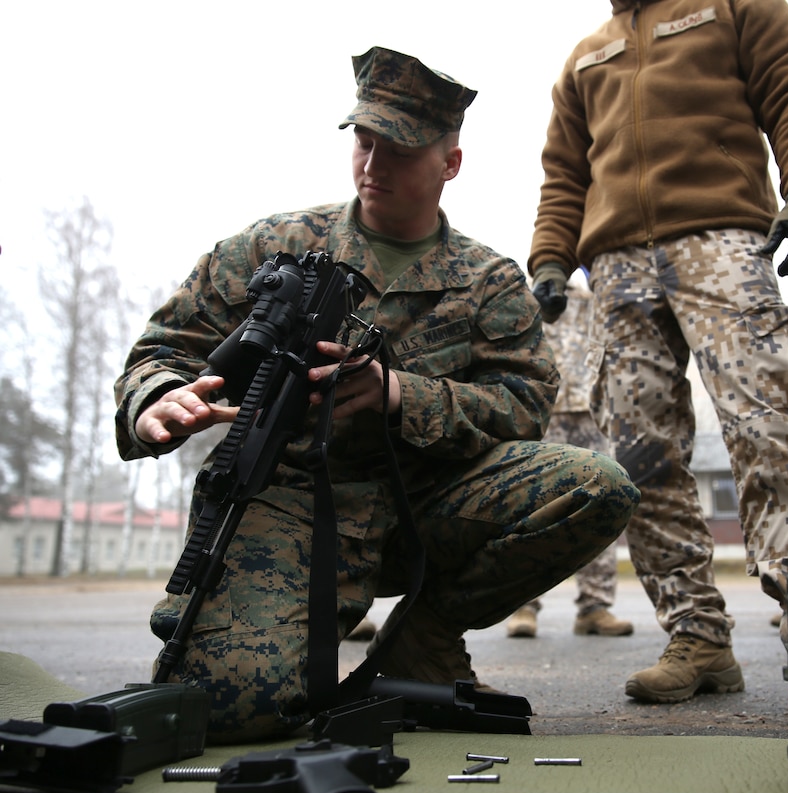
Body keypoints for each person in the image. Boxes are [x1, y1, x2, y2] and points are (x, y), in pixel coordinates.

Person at [114, 46, 640, 742]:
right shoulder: (273, 249)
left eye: (399, 149)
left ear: (449, 163)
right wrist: (156, 399)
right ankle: (283, 645)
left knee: (595, 485)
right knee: (231, 711)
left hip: (424, 503)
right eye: (364, 141)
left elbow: (523, 404)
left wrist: (400, 394)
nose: (372, 164)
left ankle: (423, 637)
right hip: (292, 503)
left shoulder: (487, 280)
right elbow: (163, 348)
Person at [529, 0, 788, 705]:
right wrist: (550, 258)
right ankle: (698, 637)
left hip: (721, 241)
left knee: (768, 420)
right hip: (615, 265)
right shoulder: (587, 54)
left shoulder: (734, 7)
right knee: (640, 452)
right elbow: (563, 171)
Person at [506, 277, 633, 638]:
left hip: (591, 412)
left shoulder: (595, 298)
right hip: (538, 411)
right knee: (527, 508)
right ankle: (522, 607)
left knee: (601, 505)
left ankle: (595, 607)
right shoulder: (523, 295)